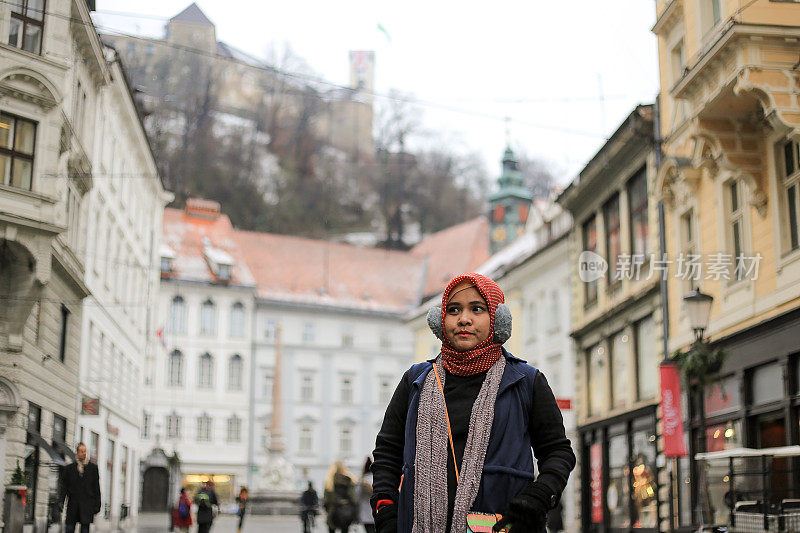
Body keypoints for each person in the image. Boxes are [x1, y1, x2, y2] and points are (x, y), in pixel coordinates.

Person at [370, 273, 576, 533]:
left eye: (477, 309)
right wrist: (386, 509)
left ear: (497, 320)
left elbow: (558, 452)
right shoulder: (416, 381)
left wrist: (538, 497)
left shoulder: (527, 382)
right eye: (453, 310)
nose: (464, 319)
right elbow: (387, 451)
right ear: (440, 321)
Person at [58, 442, 101, 533]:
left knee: (85, 530)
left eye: (85, 451)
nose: (84, 453)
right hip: (73, 506)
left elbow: (96, 488)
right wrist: (61, 501)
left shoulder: (93, 468)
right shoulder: (69, 468)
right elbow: (64, 487)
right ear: (76, 453)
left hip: (87, 507)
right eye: (81, 451)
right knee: (69, 529)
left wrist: (97, 505)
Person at [324, 461, 357, 533]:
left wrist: (328, 508)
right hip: (346, 510)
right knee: (344, 529)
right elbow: (353, 497)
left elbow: (326, 500)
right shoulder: (349, 479)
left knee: (332, 529)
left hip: (332, 510)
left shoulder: (329, 480)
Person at [358, 457, 375, 533]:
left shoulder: (362, 480)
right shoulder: (376, 478)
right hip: (377, 512)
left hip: (366, 514)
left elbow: (357, 495)